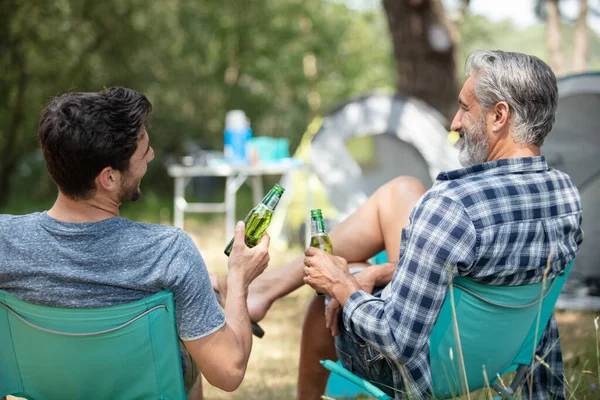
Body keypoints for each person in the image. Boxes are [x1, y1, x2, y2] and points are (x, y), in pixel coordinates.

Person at [301, 50, 583, 399]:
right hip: (496, 360)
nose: (454, 122)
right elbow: (489, 274)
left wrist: (340, 284)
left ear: (499, 116)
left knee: (325, 300)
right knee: (361, 270)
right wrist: (383, 271)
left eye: (465, 108)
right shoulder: (566, 197)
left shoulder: (453, 204)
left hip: (426, 373)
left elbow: (396, 341)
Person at [0, 87, 270, 399]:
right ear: (109, 178)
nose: (151, 156)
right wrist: (238, 277)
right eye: (143, 153)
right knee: (184, 338)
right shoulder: (168, 253)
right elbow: (228, 372)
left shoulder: (7, 241)